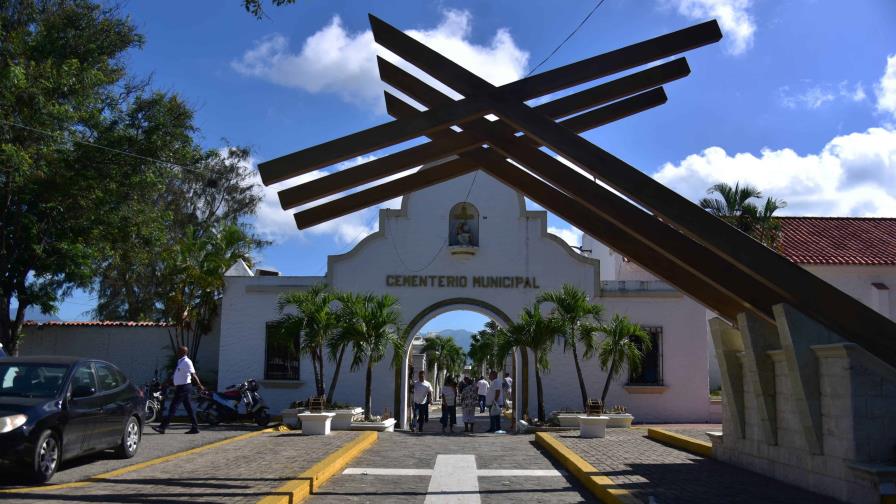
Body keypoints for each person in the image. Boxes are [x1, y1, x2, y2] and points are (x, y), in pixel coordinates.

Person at [153, 346, 204, 434]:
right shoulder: (180, 361)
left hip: (184, 387)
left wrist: (199, 384)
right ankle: (195, 428)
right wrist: (165, 383)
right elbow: (176, 375)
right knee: (189, 408)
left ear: (184, 352)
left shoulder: (187, 362)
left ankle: (162, 427)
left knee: (173, 407)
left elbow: (193, 374)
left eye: (179, 351)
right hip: (181, 387)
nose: (177, 352)